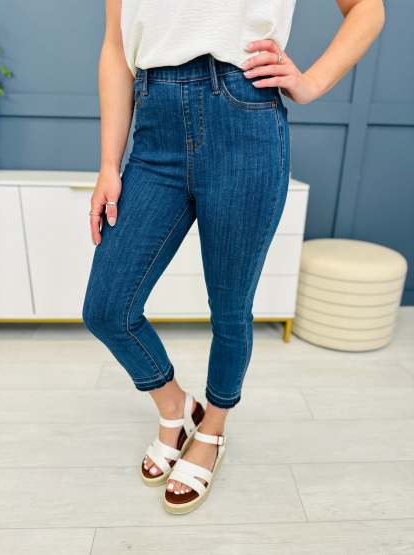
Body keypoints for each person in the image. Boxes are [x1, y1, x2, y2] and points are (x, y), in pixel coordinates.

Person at [82, 0, 385, 514]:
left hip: (244, 119)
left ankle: (213, 429)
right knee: (107, 308)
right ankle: (176, 406)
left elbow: (367, 9)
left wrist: (310, 82)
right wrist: (109, 163)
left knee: (229, 309)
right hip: (154, 128)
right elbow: (115, 48)